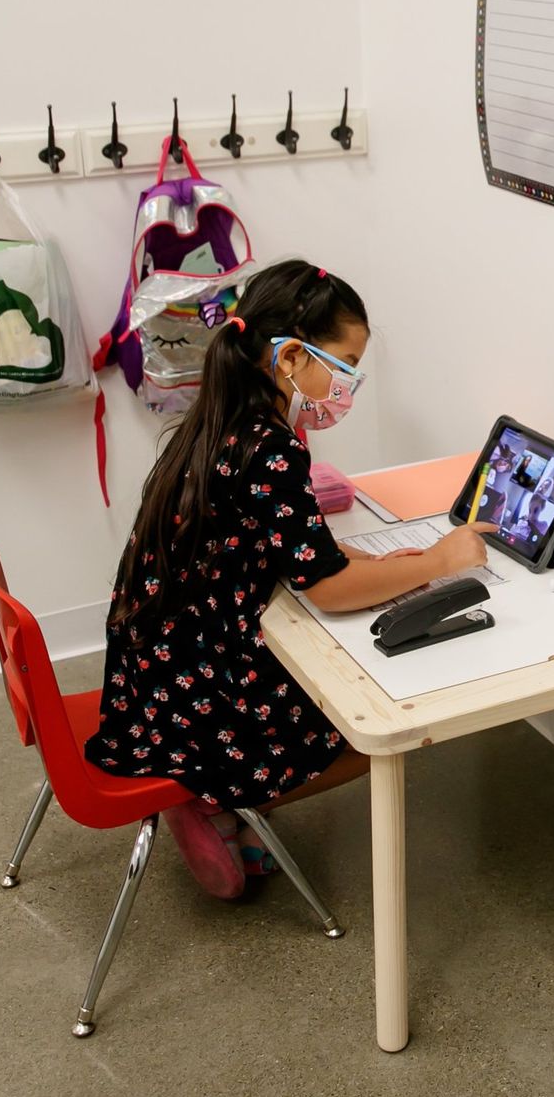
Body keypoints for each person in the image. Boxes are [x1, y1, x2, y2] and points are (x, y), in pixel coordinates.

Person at [91, 260, 495, 900]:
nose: (350, 384)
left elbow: (279, 541)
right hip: (195, 693)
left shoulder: (221, 415)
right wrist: (441, 562)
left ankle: (228, 800)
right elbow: (326, 591)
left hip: (153, 668)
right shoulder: (271, 447)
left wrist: (371, 565)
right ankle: (215, 796)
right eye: (345, 364)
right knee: (379, 733)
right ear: (288, 359)